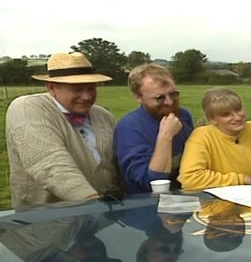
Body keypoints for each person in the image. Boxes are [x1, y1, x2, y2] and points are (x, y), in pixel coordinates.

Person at [6, 52, 123, 208]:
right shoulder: (27, 108)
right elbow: (49, 164)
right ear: (52, 87)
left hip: (104, 219)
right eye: (77, 89)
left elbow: (119, 164)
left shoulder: (104, 116)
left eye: (91, 88)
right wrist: (94, 202)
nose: (87, 96)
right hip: (47, 221)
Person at [114, 63, 194, 194]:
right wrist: (166, 136)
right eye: (160, 98)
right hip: (146, 204)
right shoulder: (129, 128)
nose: (169, 102)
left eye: (173, 94)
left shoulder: (183, 115)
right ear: (139, 97)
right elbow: (152, 182)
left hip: (183, 196)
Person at [179, 87, 251, 190]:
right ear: (213, 119)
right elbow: (189, 179)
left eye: (238, 109)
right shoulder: (202, 136)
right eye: (226, 115)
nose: (237, 117)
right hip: (218, 200)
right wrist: (239, 180)